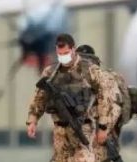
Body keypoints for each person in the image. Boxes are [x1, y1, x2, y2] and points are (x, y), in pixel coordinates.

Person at [26, 34, 121, 162]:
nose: (63, 57)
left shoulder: (88, 69)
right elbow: (40, 97)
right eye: (60, 53)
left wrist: (104, 126)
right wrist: (33, 120)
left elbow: (105, 94)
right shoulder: (50, 72)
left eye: (66, 53)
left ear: (73, 49)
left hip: (83, 128)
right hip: (60, 132)